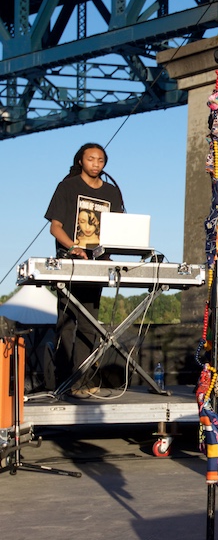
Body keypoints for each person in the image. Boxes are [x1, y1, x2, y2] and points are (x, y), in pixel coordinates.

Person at [44, 143, 125, 396]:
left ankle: (85, 380)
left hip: (96, 264)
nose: (96, 164)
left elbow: (120, 227)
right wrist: (73, 247)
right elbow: (55, 227)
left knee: (89, 322)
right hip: (69, 263)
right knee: (67, 323)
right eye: (91, 159)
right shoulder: (67, 187)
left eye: (100, 160)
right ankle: (65, 382)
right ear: (81, 161)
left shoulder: (111, 193)